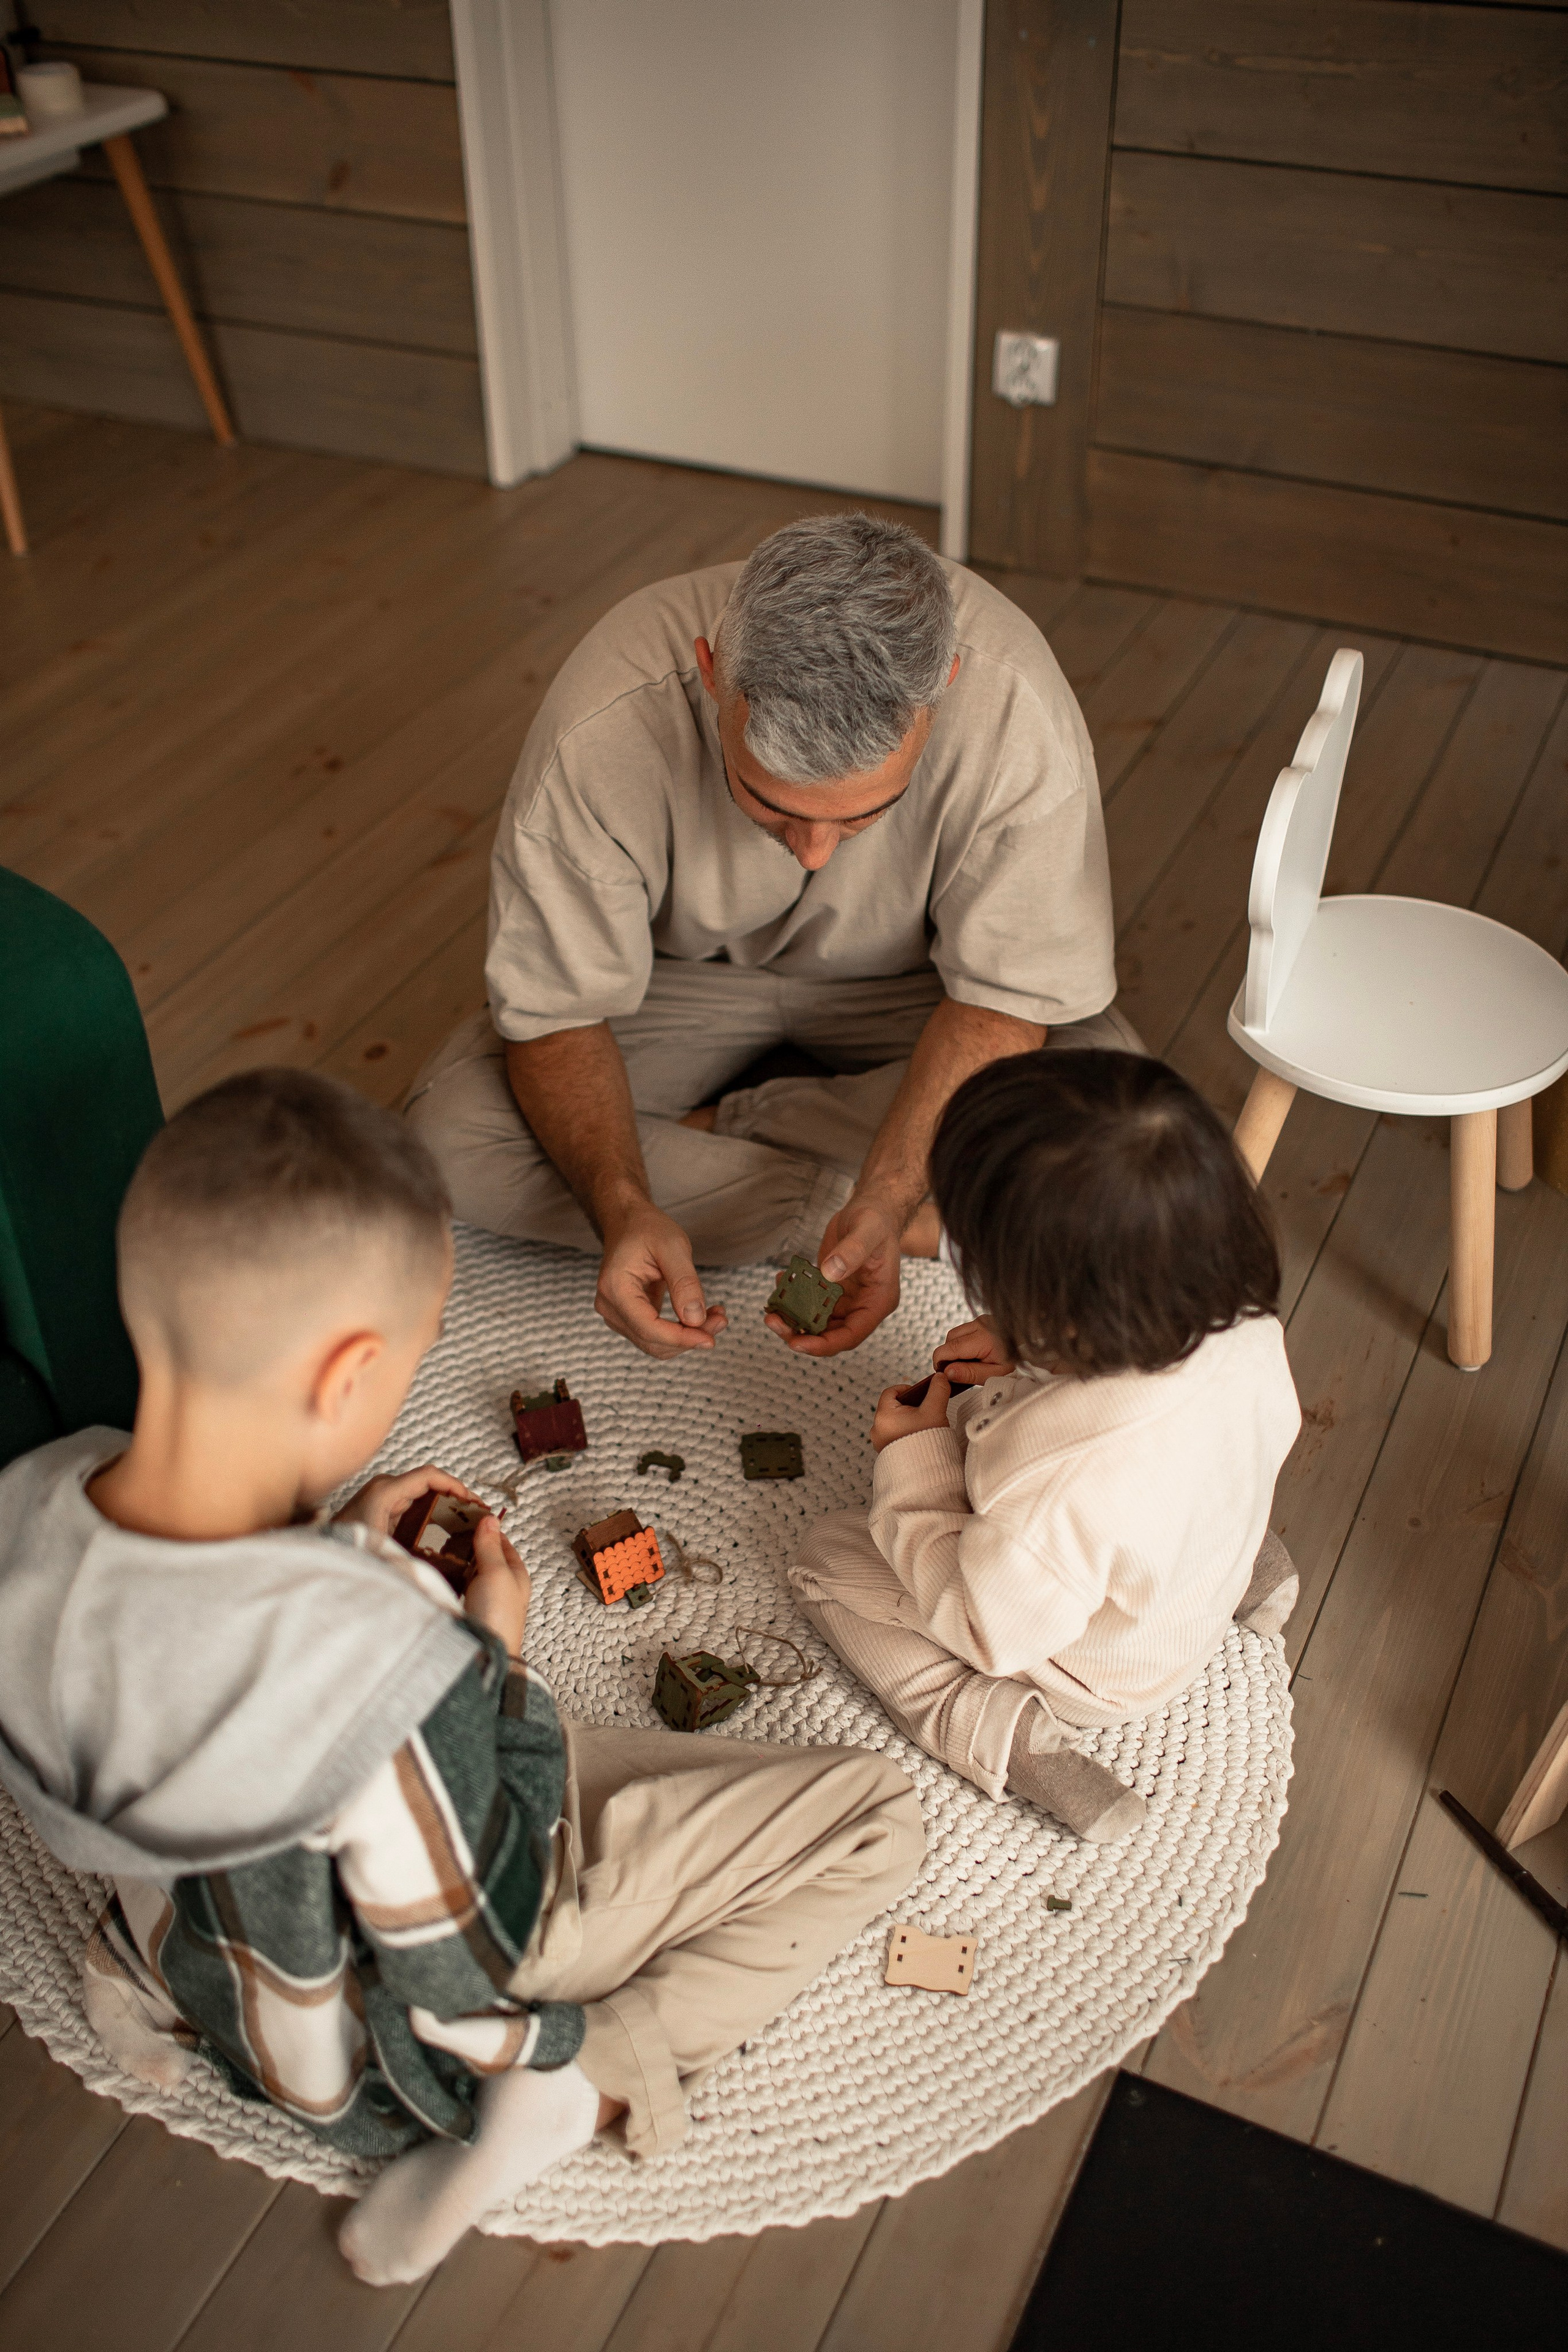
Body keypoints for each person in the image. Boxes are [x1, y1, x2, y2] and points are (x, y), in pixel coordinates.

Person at [0, 1071, 922, 2286]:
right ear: (346, 1377)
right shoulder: (392, 1664)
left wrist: (333, 1548)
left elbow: (186, 1635)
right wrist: (487, 1665)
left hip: (196, 1938)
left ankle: (162, 1967)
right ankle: (573, 2089)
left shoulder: (35, 1499)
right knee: (872, 1819)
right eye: (413, 1358)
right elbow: (467, 1950)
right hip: (389, 2040)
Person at [407, 513, 1134, 1363]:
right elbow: (558, 1013)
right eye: (772, 805)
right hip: (681, 980)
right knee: (447, 1138)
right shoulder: (604, 717)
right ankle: (931, 1210)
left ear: (945, 691)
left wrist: (890, 1189)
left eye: (865, 812)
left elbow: (1003, 1004)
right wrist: (619, 1202)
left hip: (929, 990)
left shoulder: (1017, 708)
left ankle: (739, 1133)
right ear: (714, 675)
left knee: (1123, 1129)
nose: (815, 852)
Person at [788, 1051, 1303, 1842]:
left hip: (1092, 1665)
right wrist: (1030, 1349)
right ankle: (1253, 1576)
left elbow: (987, 1626)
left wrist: (915, 1459)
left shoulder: (1060, 1485)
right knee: (1197, 1473)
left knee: (828, 1559)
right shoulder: (1243, 1320)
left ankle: (1009, 1737)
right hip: (1191, 1555)